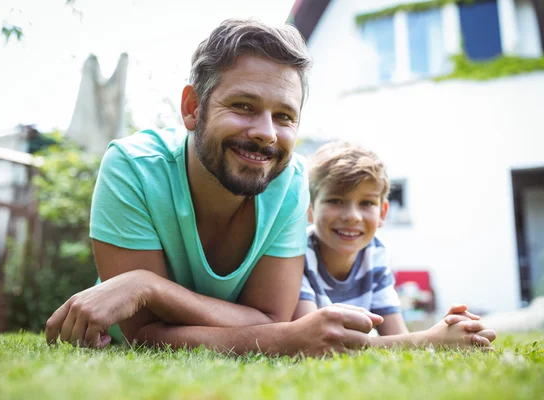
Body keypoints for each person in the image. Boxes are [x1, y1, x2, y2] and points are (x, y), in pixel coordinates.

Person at [45, 18, 388, 356]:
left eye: (284, 116)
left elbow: (271, 318)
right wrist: (283, 338)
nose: (267, 133)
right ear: (193, 108)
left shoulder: (290, 180)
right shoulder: (133, 167)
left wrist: (148, 287)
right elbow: (145, 334)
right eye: (243, 106)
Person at [293, 141, 496, 349]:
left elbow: (399, 337)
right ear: (309, 208)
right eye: (335, 200)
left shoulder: (376, 253)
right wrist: (431, 339)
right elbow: (314, 341)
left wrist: (447, 329)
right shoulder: (297, 253)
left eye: (366, 203)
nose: (352, 216)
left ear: (382, 213)